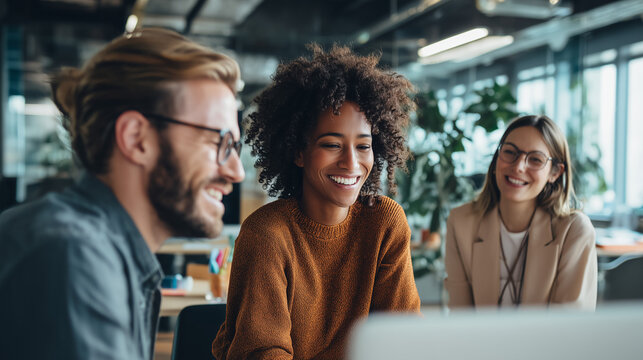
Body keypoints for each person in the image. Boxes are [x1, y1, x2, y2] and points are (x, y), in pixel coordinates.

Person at [0, 28, 245, 359]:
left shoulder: (107, 254)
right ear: (136, 139)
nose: (236, 171)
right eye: (220, 142)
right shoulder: (74, 256)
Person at [212, 45, 420, 359]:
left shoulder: (385, 222)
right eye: (332, 144)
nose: (351, 163)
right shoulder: (267, 234)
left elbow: (402, 340)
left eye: (363, 146)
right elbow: (263, 352)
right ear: (298, 152)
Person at [445, 115, 597, 310]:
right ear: (497, 158)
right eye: (510, 152)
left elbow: (569, 328)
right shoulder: (461, 222)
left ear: (554, 173)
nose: (518, 167)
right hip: (480, 341)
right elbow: (461, 317)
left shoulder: (574, 231)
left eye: (535, 159)